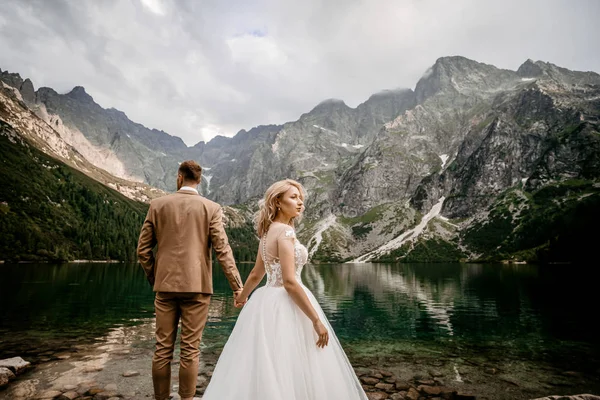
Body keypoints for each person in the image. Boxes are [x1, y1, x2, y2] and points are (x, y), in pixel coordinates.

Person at [202, 179, 368, 400]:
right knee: (295, 364)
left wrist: (242, 297)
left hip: (264, 302)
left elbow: (256, 274)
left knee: (268, 364)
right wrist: (316, 320)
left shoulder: (267, 232)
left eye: (301, 198)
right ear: (278, 202)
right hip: (287, 302)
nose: (300, 203)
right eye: (294, 197)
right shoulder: (286, 233)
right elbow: (290, 282)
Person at [137, 160, 244, 400]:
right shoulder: (211, 208)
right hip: (197, 289)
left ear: (179, 177)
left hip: (164, 288)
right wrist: (237, 287)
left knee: (162, 350)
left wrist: (156, 278)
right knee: (190, 351)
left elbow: (142, 251)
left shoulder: (157, 205)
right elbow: (223, 251)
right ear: (199, 180)